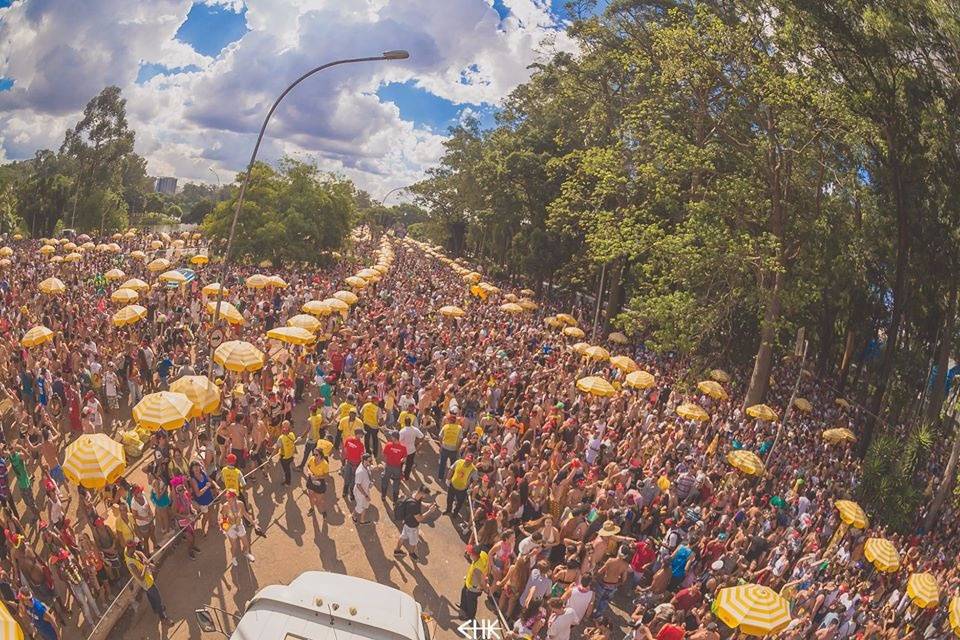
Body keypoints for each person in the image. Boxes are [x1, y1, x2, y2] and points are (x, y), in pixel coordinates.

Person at [123, 541, 170, 622]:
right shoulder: (131, 564)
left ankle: (155, 608)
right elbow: (141, 577)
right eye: (134, 547)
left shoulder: (127, 550)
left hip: (147, 581)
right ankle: (163, 617)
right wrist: (146, 565)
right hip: (146, 582)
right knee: (157, 598)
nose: (135, 548)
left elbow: (140, 553)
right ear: (130, 548)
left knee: (150, 595)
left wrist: (145, 560)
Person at [392, 485, 436, 560]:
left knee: (403, 536)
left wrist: (426, 504)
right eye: (425, 495)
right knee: (413, 542)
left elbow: (419, 501)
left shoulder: (414, 494)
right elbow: (419, 518)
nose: (425, 497)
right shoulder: (414, 506)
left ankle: (397, 551)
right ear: (422, 493)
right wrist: (429, 511)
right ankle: (411, 553)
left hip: (406, 522)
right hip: (412, 526)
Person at [220, 491, 256, 567]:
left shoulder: (240, 504)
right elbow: (223, 520)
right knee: (234, 546)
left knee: (246, 543)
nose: (227, 499)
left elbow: (245, 514)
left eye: (229, 497)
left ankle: (246, 553)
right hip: (230, 527)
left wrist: (253, 523)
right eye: (227, 497)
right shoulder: (225, 506)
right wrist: (227, 528)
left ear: (234, 497)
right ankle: (233, 558)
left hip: (239, 525)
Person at [459, 544, 488, 620]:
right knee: (464, 593)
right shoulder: (483, 554)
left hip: (473, 588)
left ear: (475, 555)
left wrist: (484, 588)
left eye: (470, 553)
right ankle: (463, 607)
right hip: (469, 582)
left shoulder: (478, 569)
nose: (468, 554)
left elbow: (481, 581)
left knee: (471, 602)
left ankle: (470, 616)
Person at [445, 453, 477, 518]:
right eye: (467, 460)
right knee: (449, 499)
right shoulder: (459, 462)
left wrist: (471, 488)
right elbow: (451, 469)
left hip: (462, 489)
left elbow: (475, 480)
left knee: (459, 503)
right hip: (453, 484)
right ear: (465, 458)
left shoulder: (473, 469)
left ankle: (455, 513)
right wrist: (448, 479)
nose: (467, 462)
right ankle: (448, 510)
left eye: (469, 461)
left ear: (472, 461)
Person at [380, 430, 406, 503]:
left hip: (388, 466)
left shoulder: (388, 445)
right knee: (396, 484)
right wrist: (399, 461)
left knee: (385, 481)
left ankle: (383, 496)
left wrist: (389, 458)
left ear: (394, 438)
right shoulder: (403, 447)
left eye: (392, 436)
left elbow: (383, 455)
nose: (391, 437)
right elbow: (404, 459)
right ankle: (395, 501)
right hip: (397, 468)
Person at [304, 447, 330, 519]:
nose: (314, 456)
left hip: (320, 482)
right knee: (310, 496)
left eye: (316, 455)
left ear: (321, 455)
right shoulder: (312, 459)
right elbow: (308, 467)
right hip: (311, 480)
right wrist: (310, 473)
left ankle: (323, 511)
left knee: (319, 500)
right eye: (314, 454)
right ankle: (312, 508)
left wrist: (317, 477)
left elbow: (326, 475)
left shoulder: (325, 464)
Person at [341, 427, 365, 500]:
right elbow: (361, 457)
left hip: (349, 463)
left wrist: (345, 459)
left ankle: (345, 492)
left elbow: (345, 450)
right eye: (362, 434)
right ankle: (351, 494)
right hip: (355, 464)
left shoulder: (348, 439)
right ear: (358, 434)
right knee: (353, 480)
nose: (362, 435)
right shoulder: (361, 445)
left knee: (347, 477)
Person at [275, 421, 298, 487]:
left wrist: (270, 457)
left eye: (282, 427)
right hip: (291, 455)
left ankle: (287, 482)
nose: (282, 428)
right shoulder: (292, 434)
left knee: (286, 470)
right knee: (288, 469)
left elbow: (276, 450)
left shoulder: (281, 438)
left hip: (284, 458)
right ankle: (287, 480)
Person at [352, 454, 373, 525]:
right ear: (364, 461)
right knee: (359, 507)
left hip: (365, 490)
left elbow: (370, 469)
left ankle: (362, 520)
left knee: (364, 505)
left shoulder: (366, 466)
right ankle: (354, 516)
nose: (371, 462)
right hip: (360, 493)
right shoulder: (360, 471)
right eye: (370, 461)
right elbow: (358, 485)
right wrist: (366, 495)